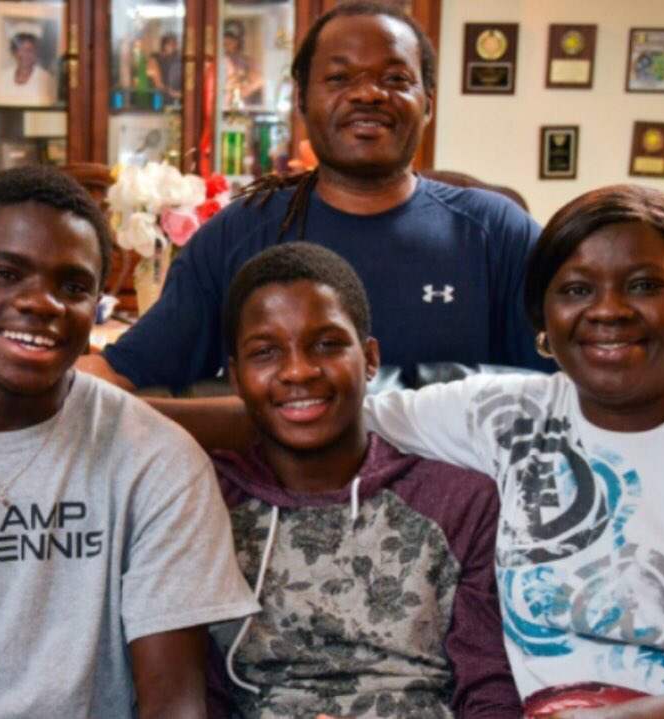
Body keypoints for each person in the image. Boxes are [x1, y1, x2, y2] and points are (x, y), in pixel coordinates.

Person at [78, 0, 551, 399]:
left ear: (428, 101)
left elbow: (568, 388)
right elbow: (129, 371)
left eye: (395, 79)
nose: (368, 94)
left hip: (465, 501)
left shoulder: (497, 233)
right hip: (280, 500)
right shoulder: (239, 234)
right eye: (340, 79)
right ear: (301, 100)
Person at [0, 166, 259, 718]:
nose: (41, 303)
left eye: (73, 286)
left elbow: (175, 704)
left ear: (96, 309)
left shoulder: (156, 459)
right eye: (5, 273)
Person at [363, 185, 664, 718]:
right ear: (544, 318)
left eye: (645, 285)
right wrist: (173, 424)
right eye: (577, 290)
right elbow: (319, 412)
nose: (607, 311)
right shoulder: (512, 417)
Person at [206, 242, 521, 718]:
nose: (298, 371)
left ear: (370, 359)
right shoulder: (203, 501)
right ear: (235, 377)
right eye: (266, 352)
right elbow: (194, 689)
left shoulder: (461, 502)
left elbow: (490, 690)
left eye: (328, 344)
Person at [0, 23, 57, 106]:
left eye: (29, 50)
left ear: (36, 53)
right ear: (14, 52)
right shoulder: (3, 77)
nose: (25, 55)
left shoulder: (45, 79)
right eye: (21, 50)